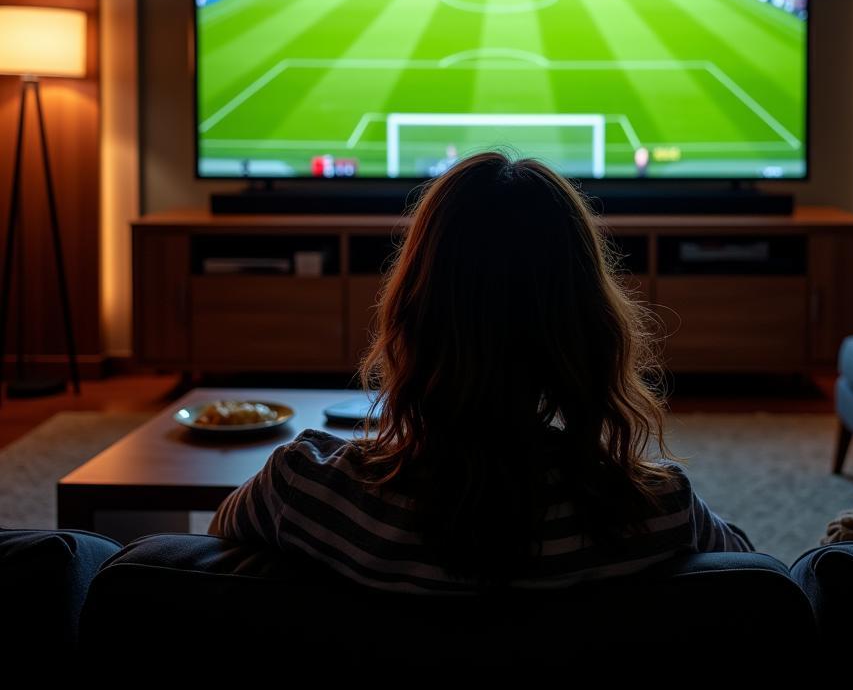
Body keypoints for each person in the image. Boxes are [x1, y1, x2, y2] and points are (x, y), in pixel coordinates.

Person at [209, 151, 754, 593]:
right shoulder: (658, 510)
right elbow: (757, 584)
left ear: (408, 317)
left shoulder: (301, 489)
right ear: (591, 328)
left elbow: (206, 560)